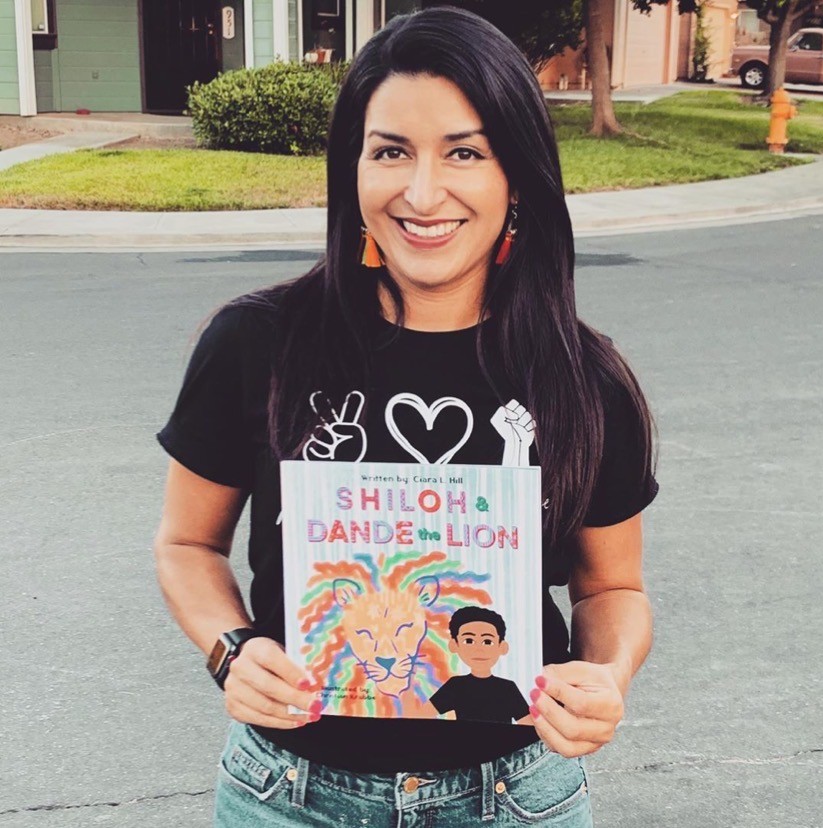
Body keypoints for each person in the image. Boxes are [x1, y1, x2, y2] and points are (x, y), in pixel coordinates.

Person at [153, 7, 658, 827]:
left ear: (518, 177)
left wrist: (607, 675)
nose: (423, 194)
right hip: (288, 795)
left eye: (465, 152)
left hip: (516, 799)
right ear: (351, 170)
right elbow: (186, 543)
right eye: (391, 151)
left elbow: (614, 587)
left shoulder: (583, 377)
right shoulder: (258, 342)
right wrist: (231, 648)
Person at [428, 607, 533, 725]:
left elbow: (529, 724)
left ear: (502, 647)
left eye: (487, 642)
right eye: (469, 641)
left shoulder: (507, 688)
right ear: (454, 645)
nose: (478, 649)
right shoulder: (456, 686)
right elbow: (422, 715)